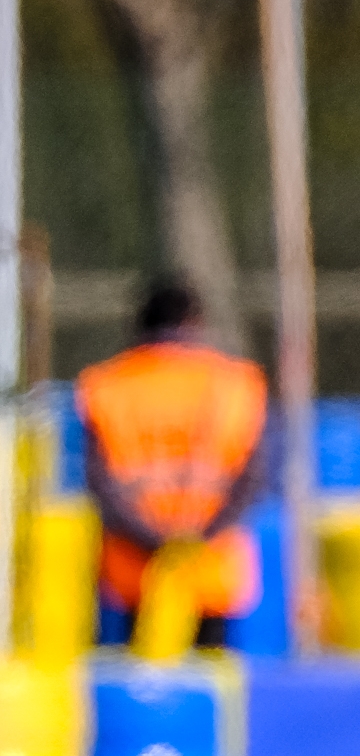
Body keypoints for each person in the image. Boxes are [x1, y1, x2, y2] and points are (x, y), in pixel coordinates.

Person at [75, 278, 269, 652]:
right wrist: (198, 538)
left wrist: (155, 542)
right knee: (210, 677)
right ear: (195, 322)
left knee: (139, 677)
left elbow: (100, 483)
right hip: (210, 563)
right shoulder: (235, 383)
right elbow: (252, 478)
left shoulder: (108, 385)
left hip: (136, 567)